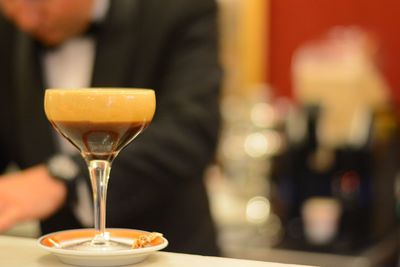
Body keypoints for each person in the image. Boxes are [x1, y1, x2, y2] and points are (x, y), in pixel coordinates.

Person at [0, 0, 221, 256]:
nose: (25, 23)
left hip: (169, 253)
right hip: (60, 256)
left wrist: (61, 178)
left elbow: (192, 131)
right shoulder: (9, 30)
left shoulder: (179, 9)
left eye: (35, 3)